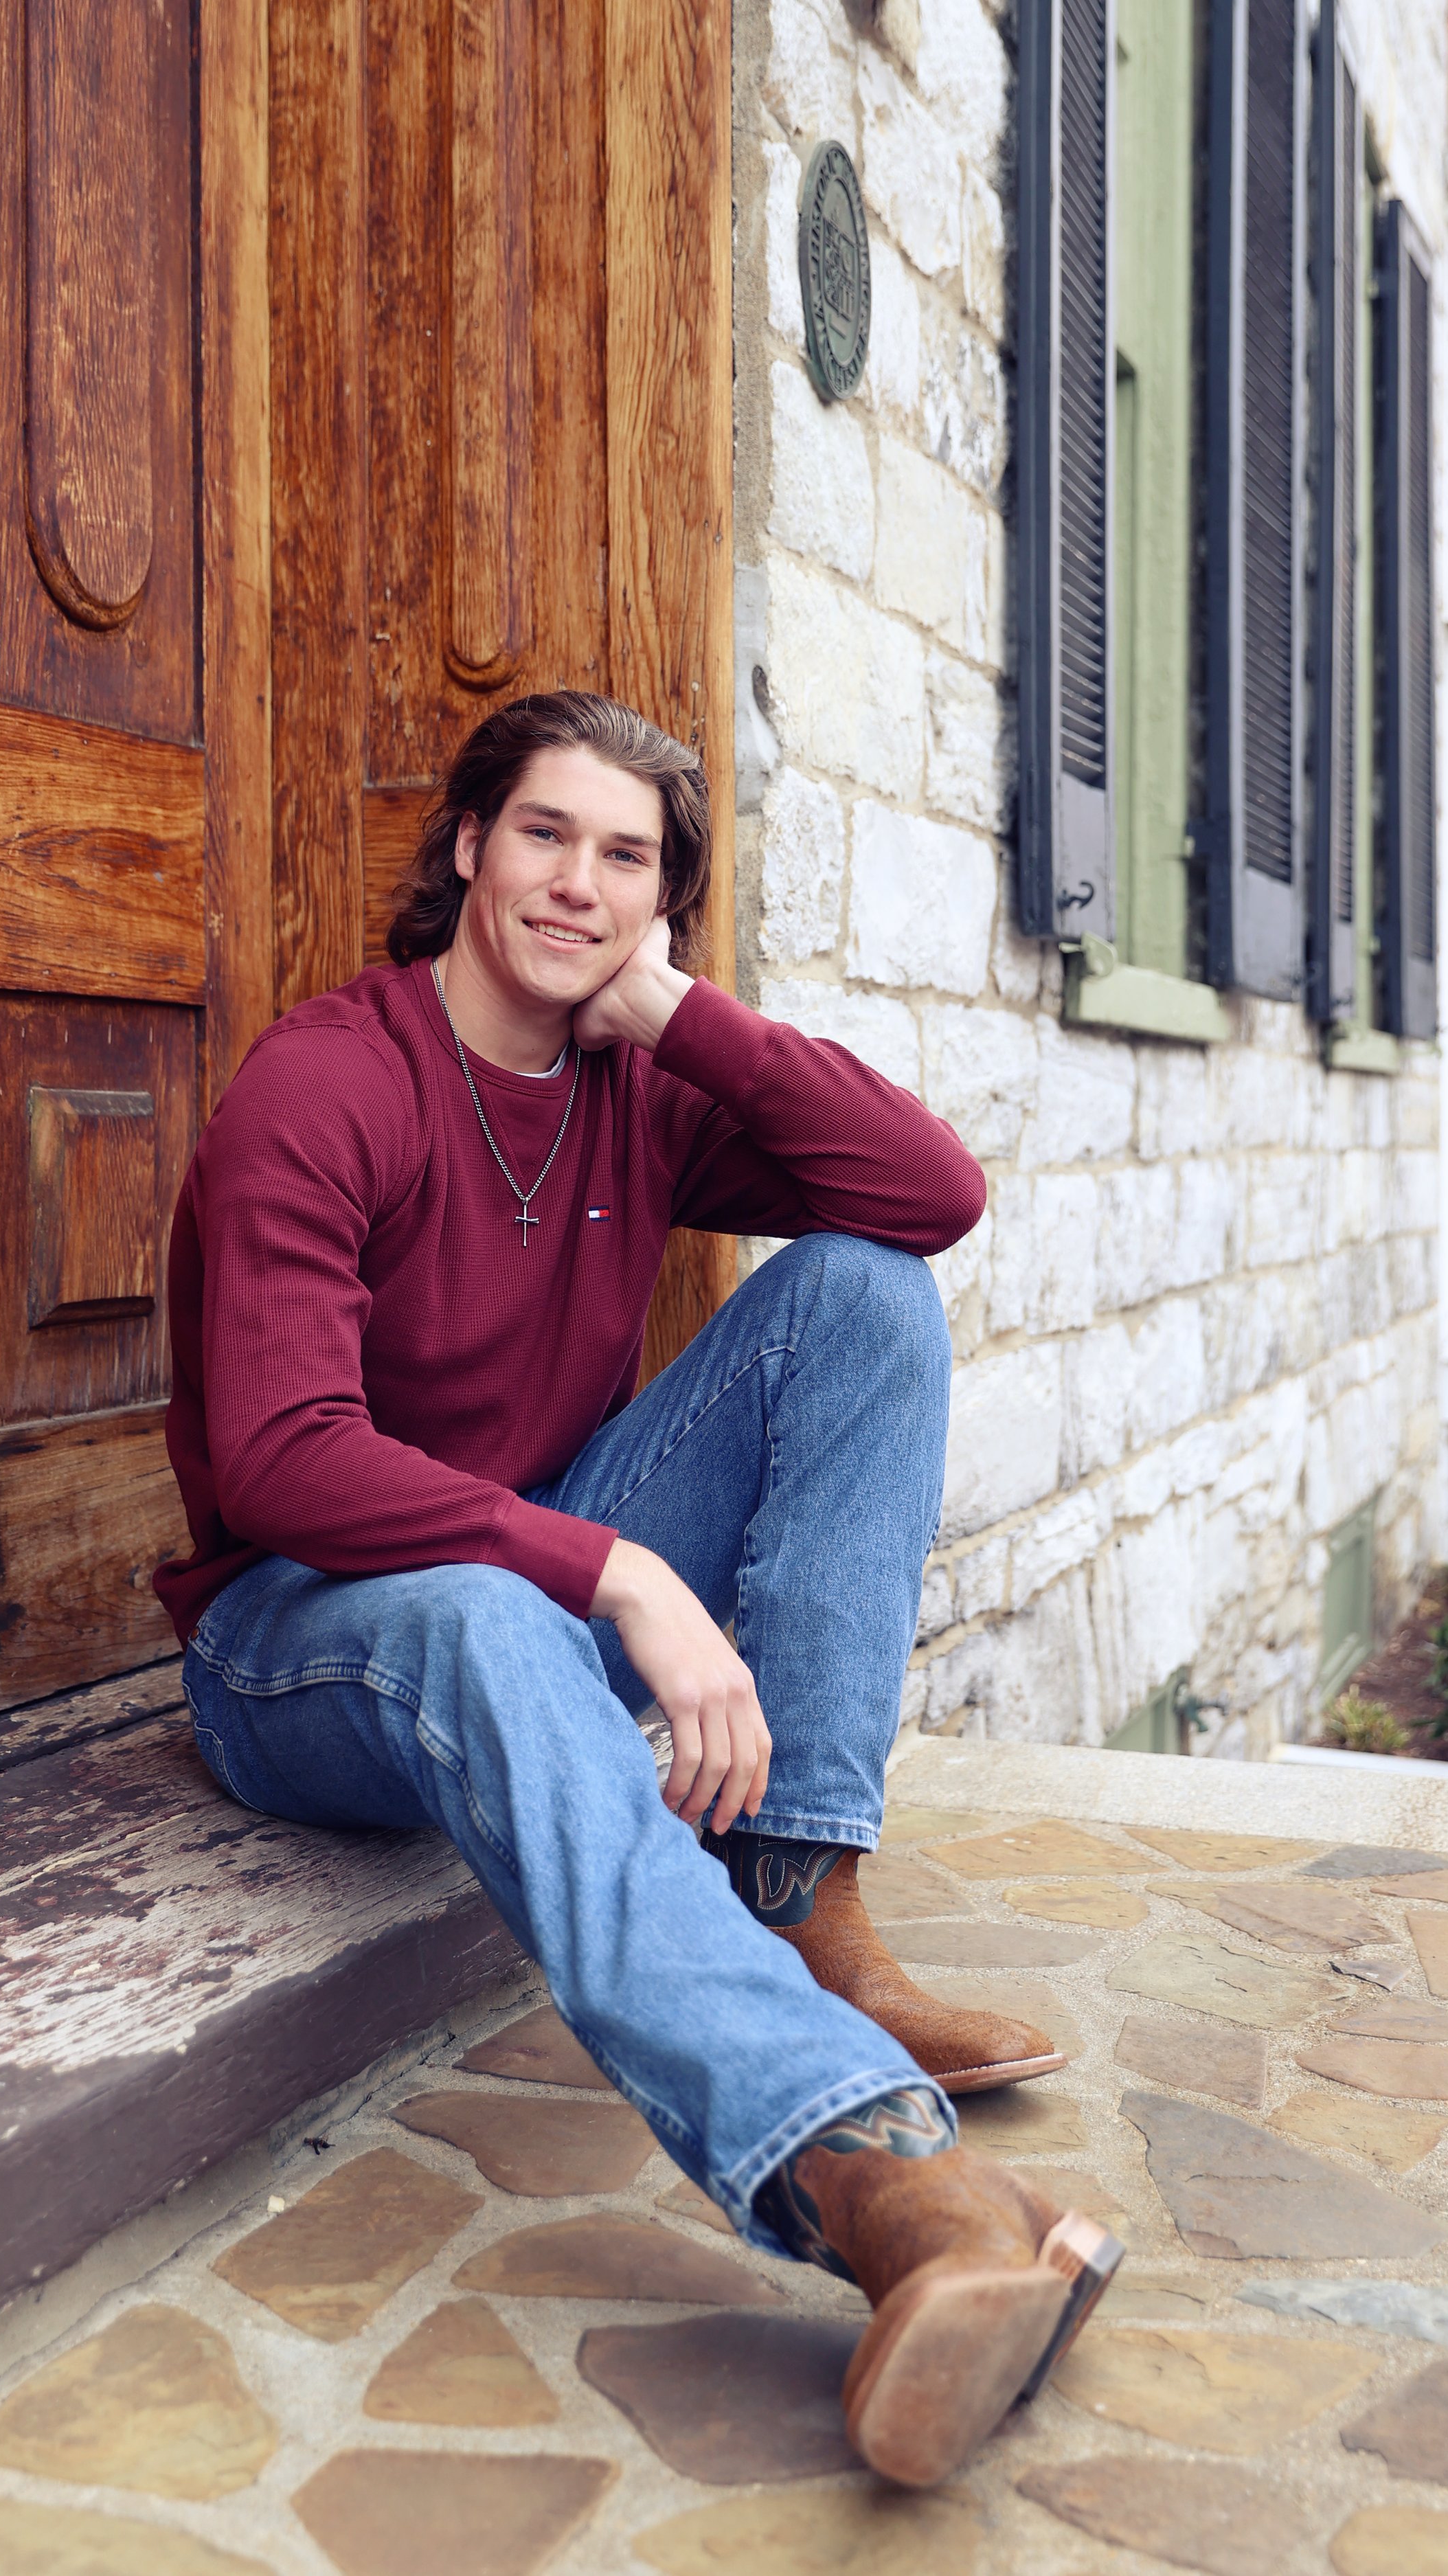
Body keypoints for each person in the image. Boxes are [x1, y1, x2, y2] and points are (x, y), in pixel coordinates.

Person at [157, 690, 1121, 2485]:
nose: (575, 885)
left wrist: (680, 1016)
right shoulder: (330, 1082)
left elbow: (927, 1193)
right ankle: (880, 2188)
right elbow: (285, 1457)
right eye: (543, 833)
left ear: (659, 901)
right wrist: (613, 1572)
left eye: (625, 858)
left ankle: (799, 1897)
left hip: (523, 1573)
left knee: (862, 1294)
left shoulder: (634, 1088)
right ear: (469, 846)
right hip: (300, 1632)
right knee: (480, 1607)